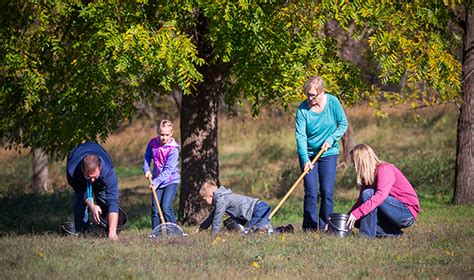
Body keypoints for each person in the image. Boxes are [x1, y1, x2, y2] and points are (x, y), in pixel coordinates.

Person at [295, 76, 348, 231]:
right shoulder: (302, 109)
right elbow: (301, 136)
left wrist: (331, 139)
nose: (310, 98)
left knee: (326, 191)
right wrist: (305, 159)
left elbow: (343, 124)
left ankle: (326, 226)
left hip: (328, 152)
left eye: (313, 95)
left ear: (322, 91)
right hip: (309, 154)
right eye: (308, 95)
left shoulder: (333, 102)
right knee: (311, 191)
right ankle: (310, 228)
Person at [346, 144, 420, 238]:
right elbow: (361, 201)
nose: (353, 166)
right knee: (356, 220)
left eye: (354, 162)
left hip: (406, 214)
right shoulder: (367, 177)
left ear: (361, 162)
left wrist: (357, 213)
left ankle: (366, 237)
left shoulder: (384, 169)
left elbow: (380, 196)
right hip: (390, 212)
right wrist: (347, 218)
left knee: (368, 194)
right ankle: (394, 234)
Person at [66, 141, 120, 240]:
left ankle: (106, 229)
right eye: (89, 177)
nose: (92, 180)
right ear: (83, 169)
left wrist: (112, 232)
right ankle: (82, 232)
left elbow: (113, 202)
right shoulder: (72, 170)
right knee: (81, 202)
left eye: (95, 176)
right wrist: (91, 205)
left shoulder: (108, 172)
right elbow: (81, 190)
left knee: (103, 199)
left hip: (99, 155)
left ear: (100, 167)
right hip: (77, 157)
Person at [197, 181, 273, 236]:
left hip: (258, 209)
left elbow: (217, 219)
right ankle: (277, 230)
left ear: (210, 195)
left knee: (249, 232)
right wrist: (201, 228)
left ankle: (278, 230)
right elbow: (212, 216)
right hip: (259, 207)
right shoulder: (222, 198)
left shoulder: (221, 199)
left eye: (204, 199)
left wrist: (213, 236)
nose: (204, 203)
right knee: (258, 231)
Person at [143, 119, 180, 230]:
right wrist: (146, 169)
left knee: (166, 207)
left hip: (170, 181)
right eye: (161, 134)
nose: (163, 137)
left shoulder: (173, 149)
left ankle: (174, 233)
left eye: (166, 135)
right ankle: (157, 234)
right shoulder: (153, 143)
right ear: (158, 132)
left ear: (171, 133)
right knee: (155, 209)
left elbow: (168, 171)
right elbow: (147, 157)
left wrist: (155, 182)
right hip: (156, 180)